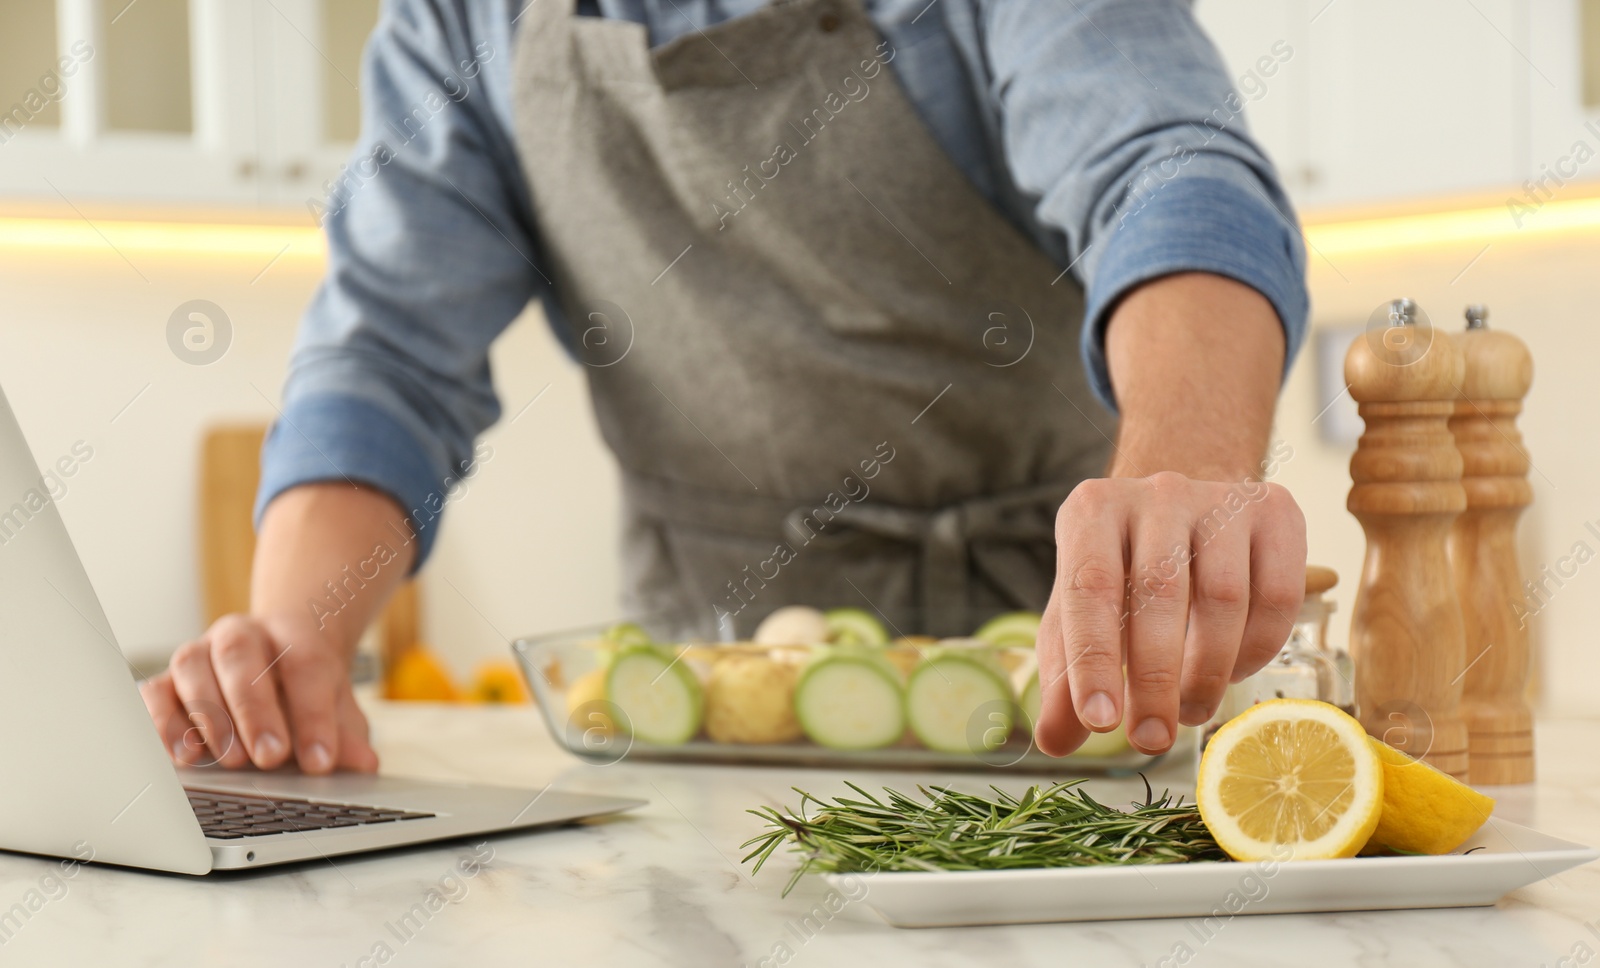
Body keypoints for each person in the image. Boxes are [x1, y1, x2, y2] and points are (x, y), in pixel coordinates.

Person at [140, 0, 1309, 772]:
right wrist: (291, 640)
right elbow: (387, 353)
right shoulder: (460, 20)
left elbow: (1173, 170)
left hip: (1075, 683)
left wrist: (1183, 469)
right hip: (695, 716)